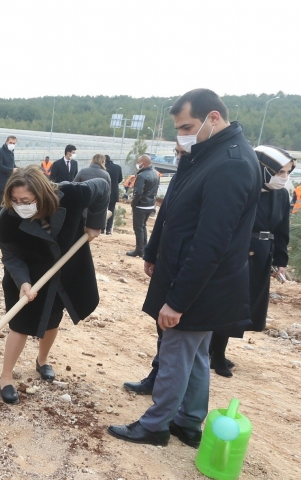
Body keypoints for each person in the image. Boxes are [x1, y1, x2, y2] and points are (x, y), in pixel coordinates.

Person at [108, 88, 261, 448]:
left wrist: (177, 301)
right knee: (194, 355)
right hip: (187, 273)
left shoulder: (232, 163)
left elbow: (211, 243)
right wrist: (155, 251)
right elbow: (177, 208)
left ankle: (156, 425)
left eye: (188, 126)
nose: (183, 135)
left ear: (213, 117)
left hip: (202, 284)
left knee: (177, 351)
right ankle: (189, 421)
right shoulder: (209, 154)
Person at [0, 167, 108, 404]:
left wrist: (95, 223)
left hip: (64, 272)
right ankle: (5, 377)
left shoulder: (72, 194)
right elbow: (11, 255)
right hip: (30, 275)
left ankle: (42, 361)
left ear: (42, 194)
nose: (19, 204)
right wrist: (24, 283)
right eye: (14, 200)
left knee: (53, 318)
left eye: (25, 200)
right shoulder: (8, 218)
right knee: (20, 324)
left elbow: (104, 185)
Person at [208, 145, 294, 377]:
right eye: (280, 172)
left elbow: (282, 230)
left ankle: (217, 349)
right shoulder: (242, 190)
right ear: (264, 169)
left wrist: (280, 260)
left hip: (262, 256)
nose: (284, 178)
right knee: (227, 303)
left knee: (244, 306)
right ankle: (215, 353)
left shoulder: (281, 194)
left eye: (287, 173)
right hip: (236, 253)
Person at [122, 144, 188, 396]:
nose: (178, 157)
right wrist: (151, 253)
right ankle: (158, 376)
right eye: (177, 152)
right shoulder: (175, 177)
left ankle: (168, 393)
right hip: (167, 259)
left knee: (179, 338)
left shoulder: (212, 177)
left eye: (182, 153)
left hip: (184, 267)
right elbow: (165, 217)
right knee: (163, 331)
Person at [126, 155, 160, 257]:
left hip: (141, 206)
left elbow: (138, 193)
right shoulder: (155, 173)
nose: (137, 163)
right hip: (150, 204)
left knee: (138, 228)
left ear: (143, 163)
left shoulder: (141, 175)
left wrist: (133, 204)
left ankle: (139, 250)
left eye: (138, 162)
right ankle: (144, 248)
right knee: (143, 226)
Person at [0, 136, 17, 207]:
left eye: (14, 143)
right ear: (6, 142)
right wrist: (12, 170)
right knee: (3, 204)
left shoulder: (11, 153)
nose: (12, 145)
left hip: (10, 183)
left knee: (9, 205)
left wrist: (18, 169)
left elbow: (13, 165)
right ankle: (0, 218)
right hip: (2, 183)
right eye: (10, 143)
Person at [104, 154, 123, 234]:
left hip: (104, 191)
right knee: (111, 210)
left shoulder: (103, 168)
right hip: (114, 191)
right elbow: (120, 179)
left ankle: (101, 228)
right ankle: (108, 230)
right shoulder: (118, 167)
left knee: (103, 210)